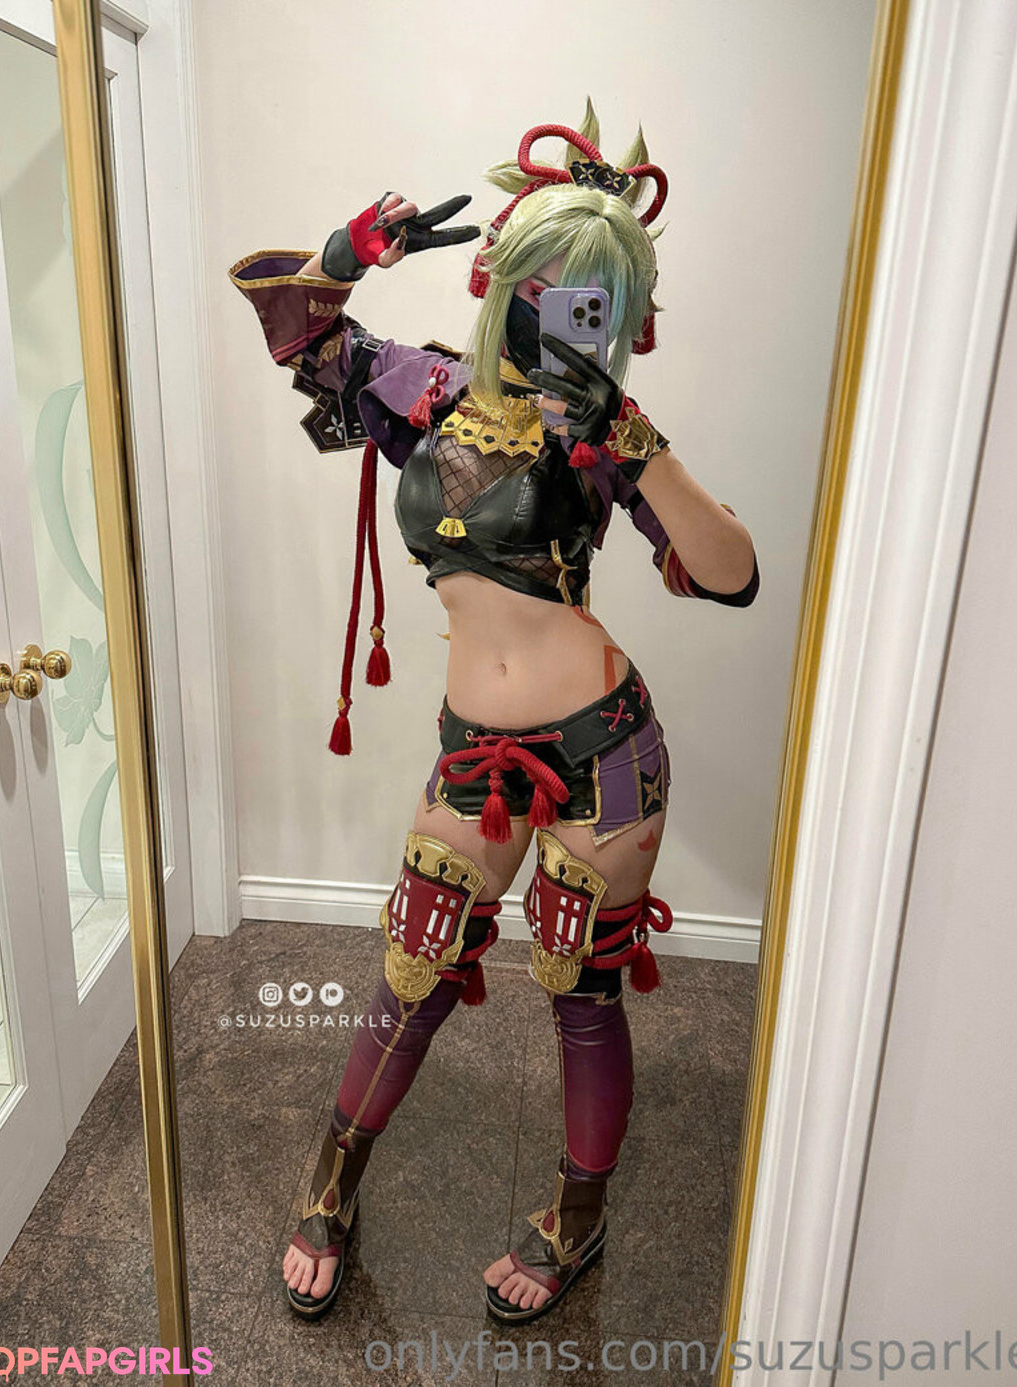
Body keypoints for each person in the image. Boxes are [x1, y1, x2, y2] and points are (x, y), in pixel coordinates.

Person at [230, 102, 758, 1325]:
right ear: (503, 280)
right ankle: (331, 1179)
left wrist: (634, 439)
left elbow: (731, 573)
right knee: (412, 961)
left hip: (605, 750)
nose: (567, 312)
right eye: (547, 284)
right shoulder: (425, 392)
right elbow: (299, 329)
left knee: (579, 982)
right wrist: (351, 254)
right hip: (475, 751)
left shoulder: (606, 435)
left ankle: (578, 1214)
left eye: (595, 297)